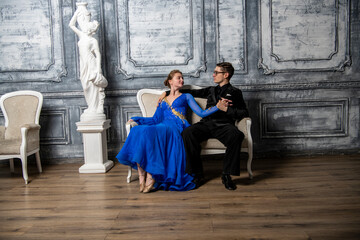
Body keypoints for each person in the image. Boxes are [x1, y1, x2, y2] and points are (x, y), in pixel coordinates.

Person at [116, 70, 228, 193]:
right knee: (137, 129)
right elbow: (155, 119)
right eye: (178, 78)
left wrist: (217, 107)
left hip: (177, 126)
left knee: (151, 132)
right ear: (170, 81)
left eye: (182, 78)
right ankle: (142, 172)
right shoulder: (163, 99)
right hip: (162, 125)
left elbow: (201, 113)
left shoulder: (186, 96)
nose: (182, 80)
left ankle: (151, 175)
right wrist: (137, 119)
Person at [161, 62, 249, 190]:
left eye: (216, 72)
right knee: (187, 133)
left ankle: (227, 175)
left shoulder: (235, 92)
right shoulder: (210, 90)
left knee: (236, 135)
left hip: (224, 125)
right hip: (206, 124)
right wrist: (167, 92)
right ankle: (197, 174)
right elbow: (189, 91)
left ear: (226, 75)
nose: (213, 75)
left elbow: (244, 113)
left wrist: (227, 110)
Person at [69, 2, 108, 121]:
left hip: (91, 64)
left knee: (93, 86)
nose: (84, 27)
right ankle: (91, 107)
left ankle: (95, 108)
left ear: (90, 30)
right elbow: (71, 24)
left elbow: (98, 54)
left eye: (88, 27)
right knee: (85, 86)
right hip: (83, 64)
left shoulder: (92, 40)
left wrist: (99, 69)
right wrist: (78, 11)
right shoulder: (81, 36)